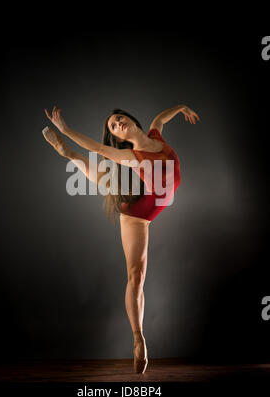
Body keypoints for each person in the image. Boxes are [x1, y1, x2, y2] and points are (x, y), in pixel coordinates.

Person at [42, 104, 199, 374]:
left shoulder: (156, 135)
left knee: (108, 182)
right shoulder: (130, 156)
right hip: (137, 214)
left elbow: (160, 117)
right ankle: (138, 340)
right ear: (120, 138)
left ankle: (68, 152)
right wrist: (66, 130)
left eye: (118, 118)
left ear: (130, 119)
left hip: (148, 199)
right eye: (113, 127)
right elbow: (100, 149)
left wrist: (182, 107)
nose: (117, 123)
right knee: (136, 275)